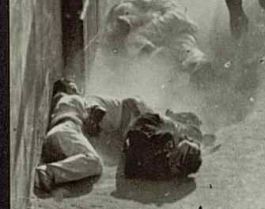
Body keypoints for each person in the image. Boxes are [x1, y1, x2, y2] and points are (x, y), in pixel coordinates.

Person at [34, 80, 201, 192]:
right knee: (94, 162)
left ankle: (181, 133)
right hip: (66, 132)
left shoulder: (78, 102)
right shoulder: (74, 99)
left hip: (65, 138)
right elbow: (96, 115)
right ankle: (46, 174)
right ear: (67, 90)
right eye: (73, 86)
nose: (77, 89)